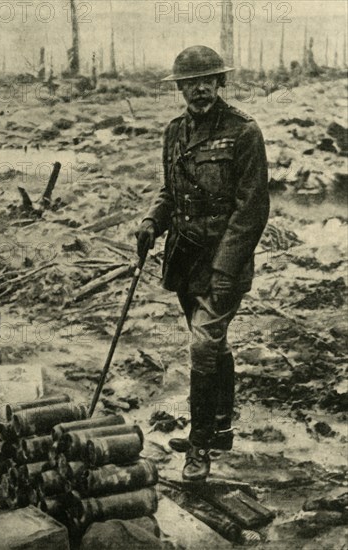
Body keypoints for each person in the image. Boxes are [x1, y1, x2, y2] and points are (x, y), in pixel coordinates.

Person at [136, 46, 270, 481]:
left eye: (207, 80)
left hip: (224, 263)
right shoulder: (174, 133)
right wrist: (151, 221)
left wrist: (225, 267)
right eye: (190, 83)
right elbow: (169, 191)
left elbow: (252, 209)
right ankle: (221, 428)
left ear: (221, 83)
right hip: (185, 260)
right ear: (178, 88)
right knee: (214, 346)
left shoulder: (244, 132)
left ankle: (199, 445)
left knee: (203, 344)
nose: (199, 89)